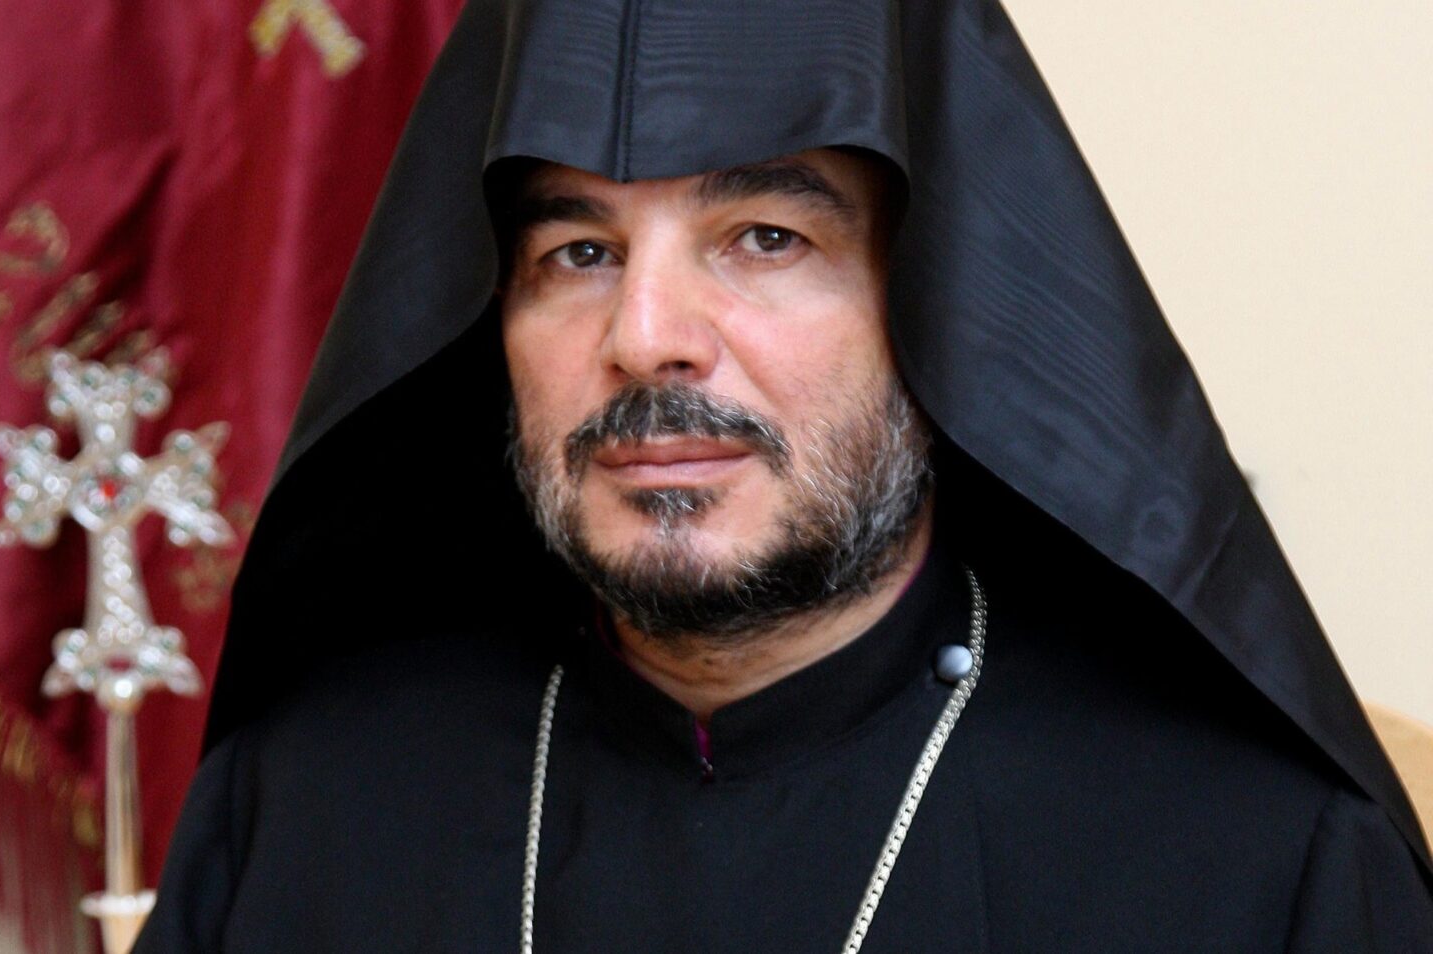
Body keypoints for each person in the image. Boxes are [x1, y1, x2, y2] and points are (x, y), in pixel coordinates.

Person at [134, 0, 1433, 951]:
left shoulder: (1259, 862)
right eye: (578, 252)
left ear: (936, 310)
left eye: (762, 236)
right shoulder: (301, 808)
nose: (646, 335)